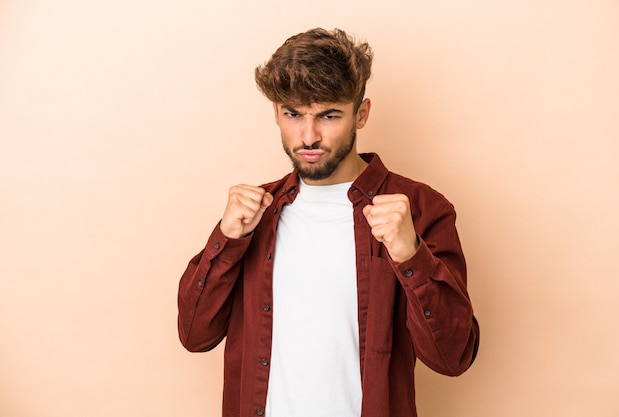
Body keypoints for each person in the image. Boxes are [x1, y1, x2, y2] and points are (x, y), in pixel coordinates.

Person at [177, 27, 479, 417]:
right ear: (275, 113)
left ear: (362, 113)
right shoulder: (254, 214)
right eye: (293, 114)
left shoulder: (419, 209)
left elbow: (453, 357)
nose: (308, 136)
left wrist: (410, 254)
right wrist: (227, 239)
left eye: (328, 115)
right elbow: (194, 335)